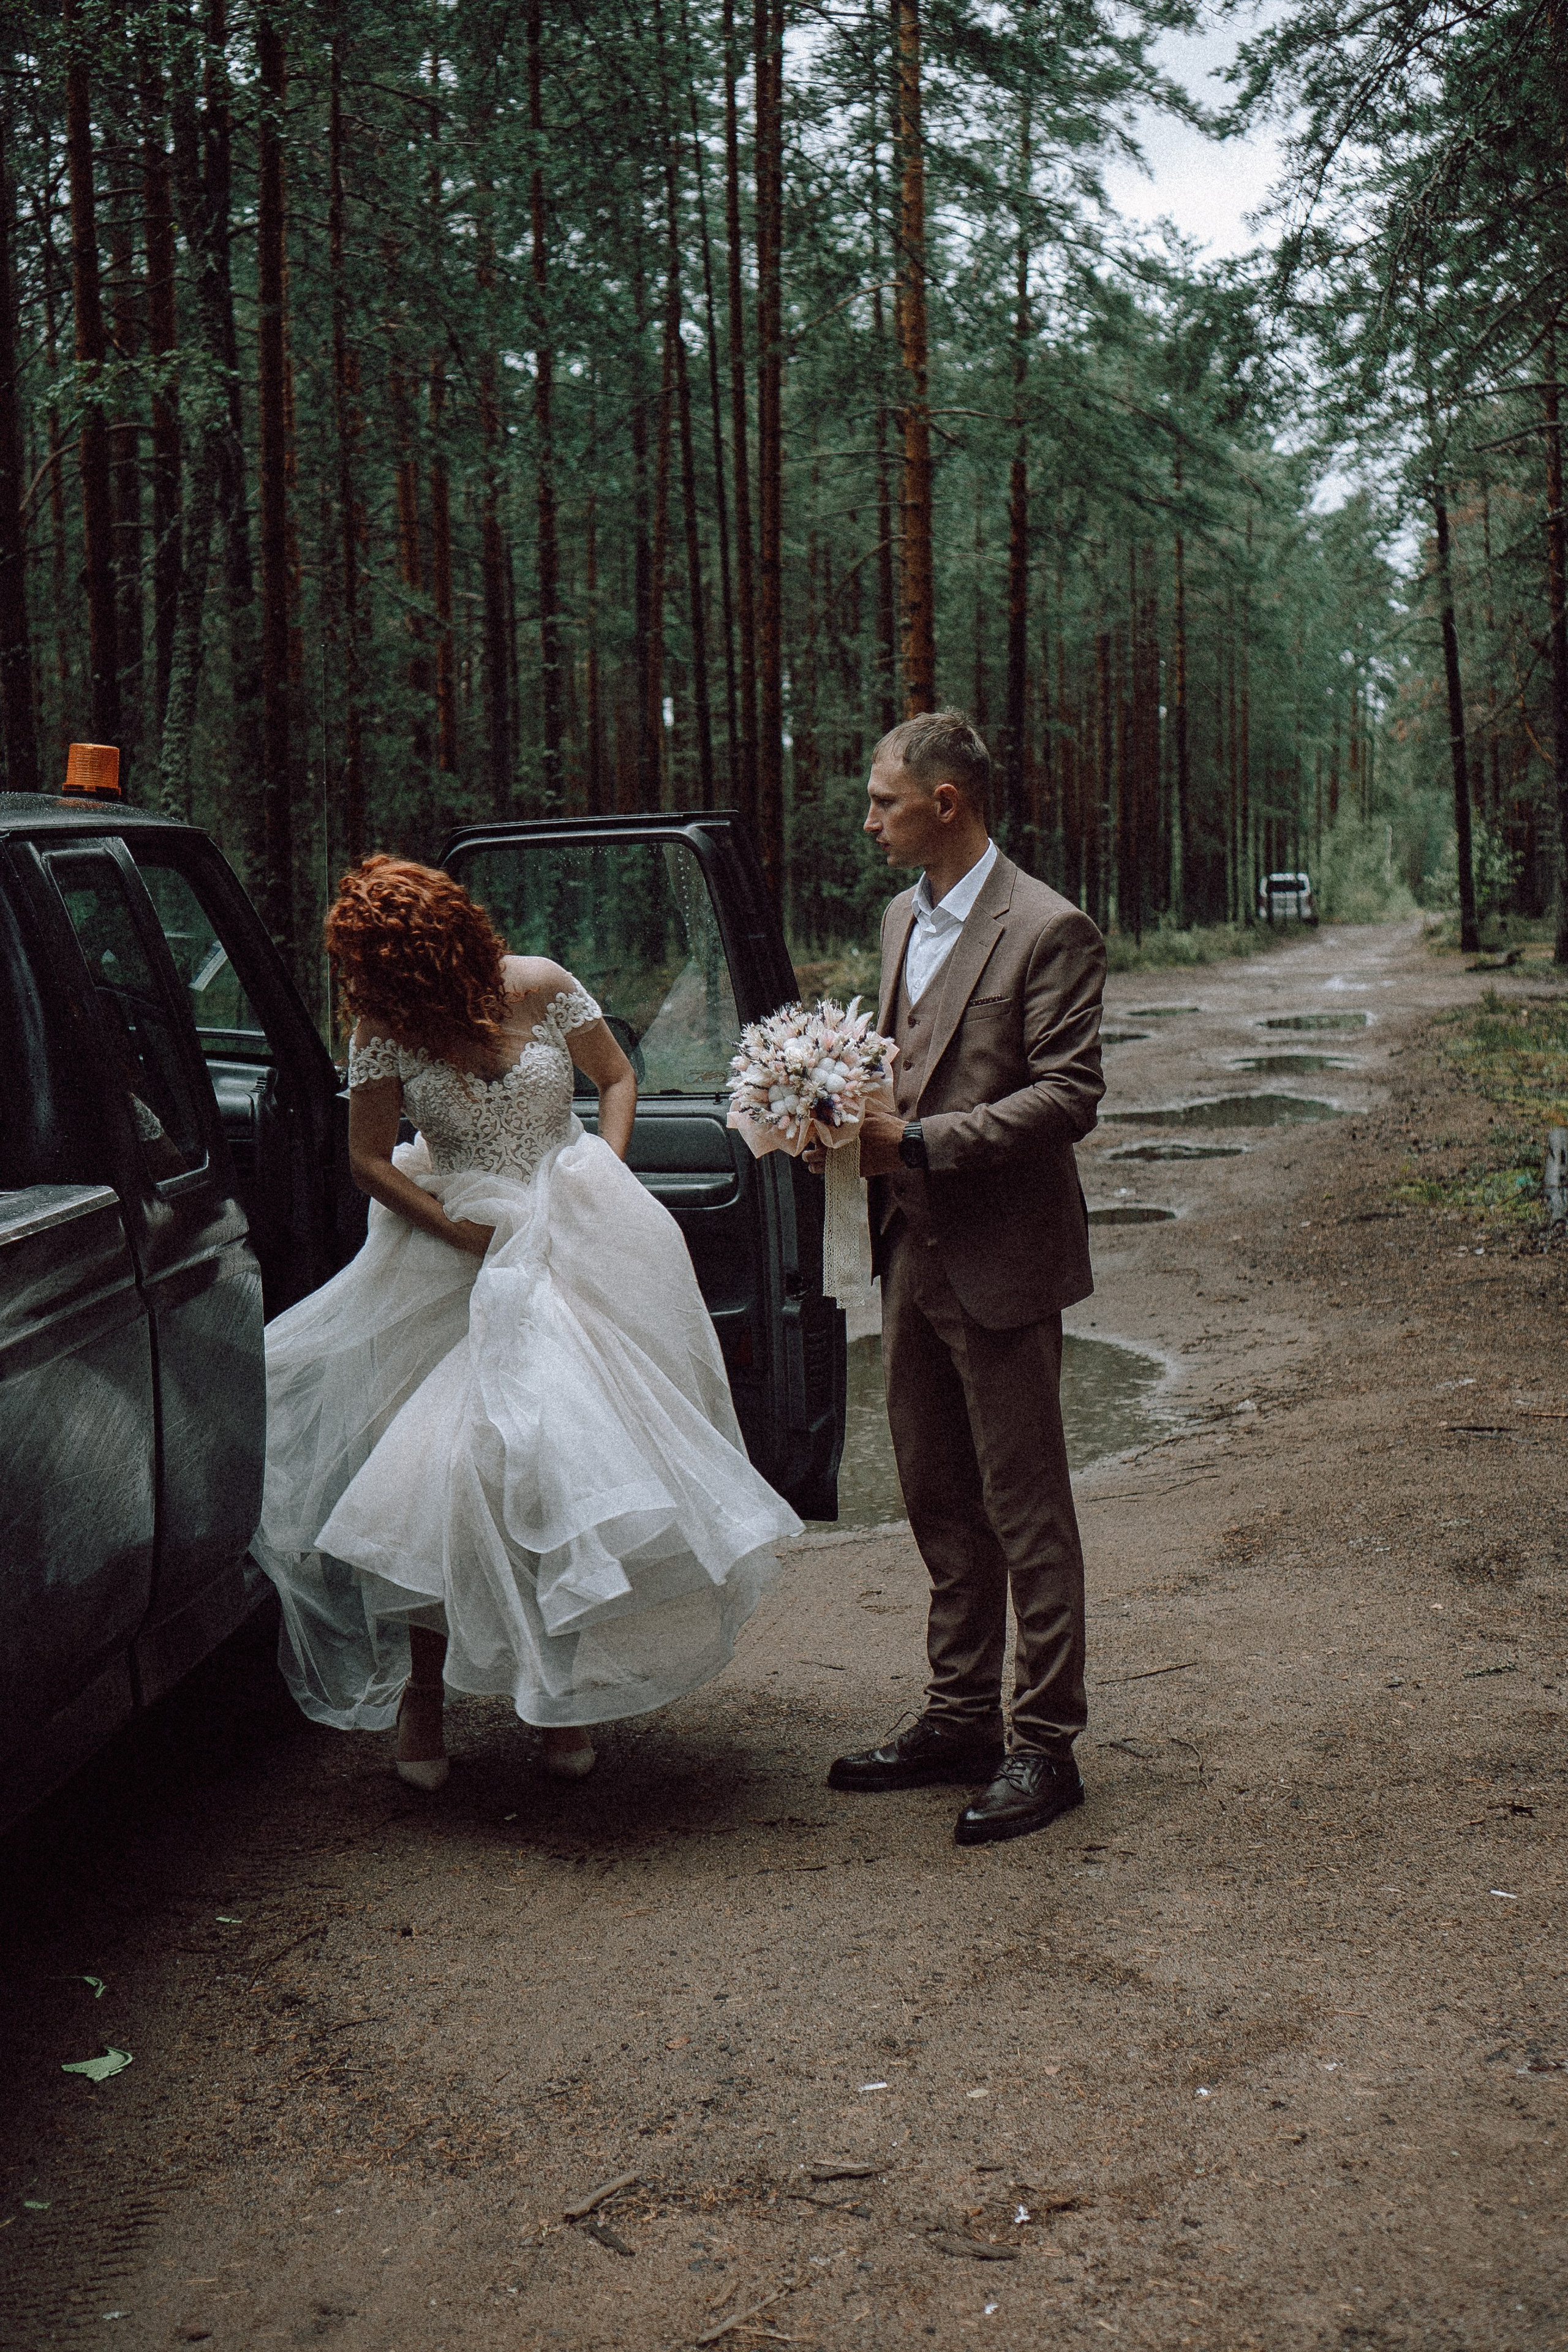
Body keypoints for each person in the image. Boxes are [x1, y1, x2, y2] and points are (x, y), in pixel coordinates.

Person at [253, 855, 800, 1789]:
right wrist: (456, 1231)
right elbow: (370, 1162)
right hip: (450, 1253)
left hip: (570, 1235)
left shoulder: (541, 984)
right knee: (438, 1471)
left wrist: (603, 1177)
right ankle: (423, 1698)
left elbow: (618, 1078)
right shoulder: (383, 1025)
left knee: (560, 1460)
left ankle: (557, 1690)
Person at [822, 711, 1105, 1845]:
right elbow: (901, 1062)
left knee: (1025, 1508)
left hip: (1001, 1256)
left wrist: (926, 1145)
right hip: (910, 1254)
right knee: (938, 1497)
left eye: (887, 800)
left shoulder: (1048, 926)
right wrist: (830, 1106)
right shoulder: (901, 917)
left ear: (948, 802)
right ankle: (958, 1717)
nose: (872, 818)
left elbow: (1070, 1094)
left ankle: (1045, 1744)